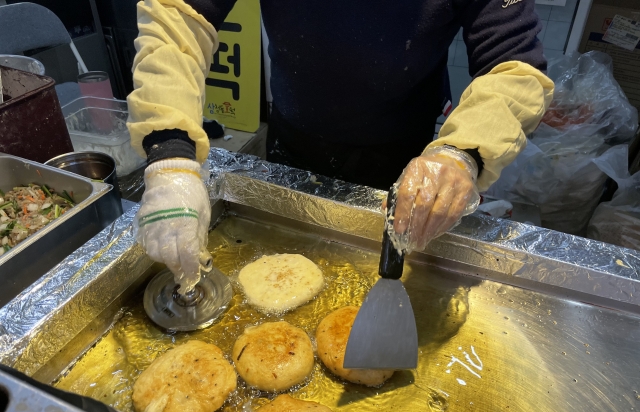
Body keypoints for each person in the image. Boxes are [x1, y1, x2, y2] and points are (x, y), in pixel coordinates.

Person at [128, 0, 554, 293]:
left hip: (407, 158)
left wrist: (463, 153)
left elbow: (514, 65)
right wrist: (169, 156)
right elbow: (177, 16)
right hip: (294, 140)